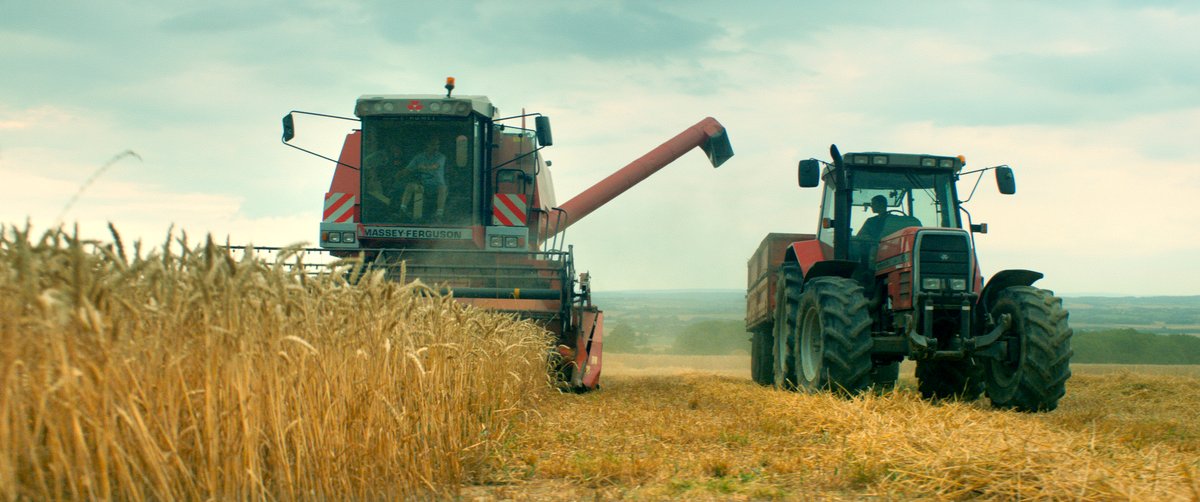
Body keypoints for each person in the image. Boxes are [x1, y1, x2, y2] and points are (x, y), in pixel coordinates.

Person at [400, 137, 447, 220]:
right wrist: (399, 174)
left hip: (437, 185)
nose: (436, 147)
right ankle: (402, 210)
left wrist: (424, 167)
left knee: (443, 188)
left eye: (438, 145)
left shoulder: (441, 157)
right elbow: (408, 169)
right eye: (433, 144)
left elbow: (435, 166)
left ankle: (439, 214)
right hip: (423, 185)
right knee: (410, 186)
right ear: (427, 145)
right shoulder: (418, 157)